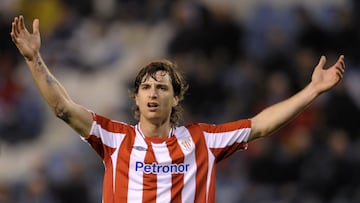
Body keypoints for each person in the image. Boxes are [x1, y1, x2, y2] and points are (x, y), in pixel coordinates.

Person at [10, 15, 345, 203]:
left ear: (176, 98)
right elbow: (62, 108)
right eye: (145, 87)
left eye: (161, 87)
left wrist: (312, 89)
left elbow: (261, 125)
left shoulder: (203, 141)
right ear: (137, 99)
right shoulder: (115, 139)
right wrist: (33, 58)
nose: (153, 93)